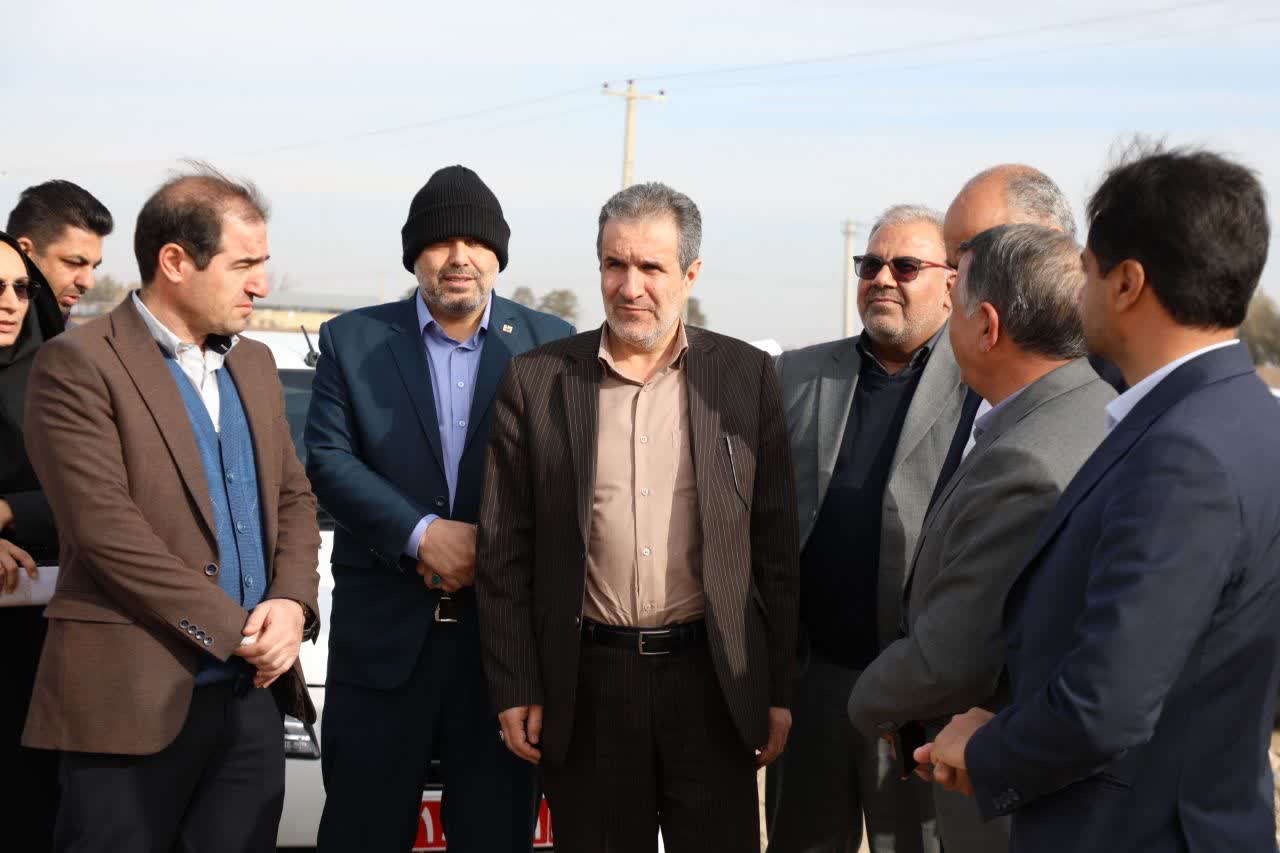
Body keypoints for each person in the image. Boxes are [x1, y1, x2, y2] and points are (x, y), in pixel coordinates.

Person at [922, 144, 1280, 852]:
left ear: (1126, 284)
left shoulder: (1184, 454)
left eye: (1085, 269)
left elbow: (1106, 705)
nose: (1075, 289)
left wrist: (988, 750)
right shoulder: (1249, 417)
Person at [476, 182, 799, 853]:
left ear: (690, 274)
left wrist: (777, 689)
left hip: (713, 683)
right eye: (614, 264)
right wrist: (517, 682)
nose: (630, 287)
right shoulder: (537, 381)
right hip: (588, 685)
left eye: (651, 267)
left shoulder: (745, 377)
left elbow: (774, 549)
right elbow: (504, 550)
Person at [22, 164, 321, 852]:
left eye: (263, 264)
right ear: (176, 262)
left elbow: (293, 497)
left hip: (252, 702)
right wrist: (240, 629)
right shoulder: (78, 364)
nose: (261, 284)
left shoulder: (254, 365)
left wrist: (292, 603)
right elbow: (106, 534)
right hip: (128, 705)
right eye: (244, 264)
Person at [305, 165, 573, 852]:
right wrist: (421, 534)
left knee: (496, 834)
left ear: (498, 254)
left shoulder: (551, 343)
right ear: (413, 254)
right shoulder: (352, 340)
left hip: (504, 653)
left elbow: (571, 476)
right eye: (440, 242)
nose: (459, 257)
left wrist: (492, 545)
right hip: (382, 648)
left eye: (476, 242)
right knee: (361, 832)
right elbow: (328, 460)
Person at [847, 224, 1115, 852]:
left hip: (1004, 774)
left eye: (956, 303)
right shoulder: (1091, 405)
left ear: (987, 327)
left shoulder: (1024, 459)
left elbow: (954, 659)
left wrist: (862, 704)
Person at [767, 204, 978, 853]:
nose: (882, 278)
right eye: (871, 265)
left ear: (951, 284)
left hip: (922, 691)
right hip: (813, 683)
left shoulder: (980, 384)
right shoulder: (798, 374)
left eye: (905, 266)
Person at [942, 163, 1126, 393]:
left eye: (982, 251)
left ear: (1051, 243)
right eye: (954, 265)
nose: (959, 281)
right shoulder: (963, 372)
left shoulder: (1122, 379)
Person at [0, 231, 60, 852]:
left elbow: (97, 496)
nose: (11, 302)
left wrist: (7, 511)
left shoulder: (52, 375)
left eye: (21, 288)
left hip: (35, 641)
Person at [6, 179, 114, 319]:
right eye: (74, 263)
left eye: (94, 267)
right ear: (24, 253)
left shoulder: (79, 333)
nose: (88, 283)